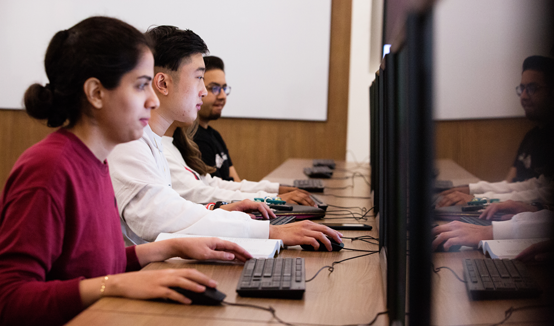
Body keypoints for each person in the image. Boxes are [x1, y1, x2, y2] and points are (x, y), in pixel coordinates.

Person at [0, 17, 253, 326]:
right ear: (95, 93)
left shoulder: (97, 161)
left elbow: (97, 264)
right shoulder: (48, 170)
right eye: (141, 85)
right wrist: (116, 285)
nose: (151, 99)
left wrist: (168, 248)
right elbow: (10, 299)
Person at [107, 26, 341, 248]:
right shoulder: (129, 144)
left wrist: (225, 211)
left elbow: (178, 208)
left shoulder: (153, 142)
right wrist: (269, 232)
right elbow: (158, 218)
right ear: (163, 83)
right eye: (199, 77)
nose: (204, 91)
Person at [438, 55, 554, 207]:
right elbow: (519, 184)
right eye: (522, 89)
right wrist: (471, 189)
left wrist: (478, 199)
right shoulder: (531, 137)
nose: (524, 96)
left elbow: (545, 197)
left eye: (533, 88)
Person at [165, 121, 316, 205]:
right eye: (197, 78)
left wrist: (275, 190)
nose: (202, 92)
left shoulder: (175, 145)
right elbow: (200, 195)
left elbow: (214, 184)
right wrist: (271, 199)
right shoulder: (164, 151)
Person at [192, 56, 239, 181]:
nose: (222, 96)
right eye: (215, 88)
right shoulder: (192, 141)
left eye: (224, 88)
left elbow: (236, 182)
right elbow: (216, 194)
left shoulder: (215, 135)